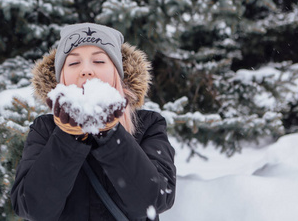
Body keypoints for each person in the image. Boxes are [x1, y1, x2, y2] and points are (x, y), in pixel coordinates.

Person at [10, 23, 176, 220]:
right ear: (62, 77)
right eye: (73, 63)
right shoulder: (44, 129)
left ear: (116, 73)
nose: (86, 70)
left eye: (98, 61)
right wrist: (67, 136)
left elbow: (153, 201)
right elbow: (32, 207)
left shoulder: (148, 125)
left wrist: (111, 133)